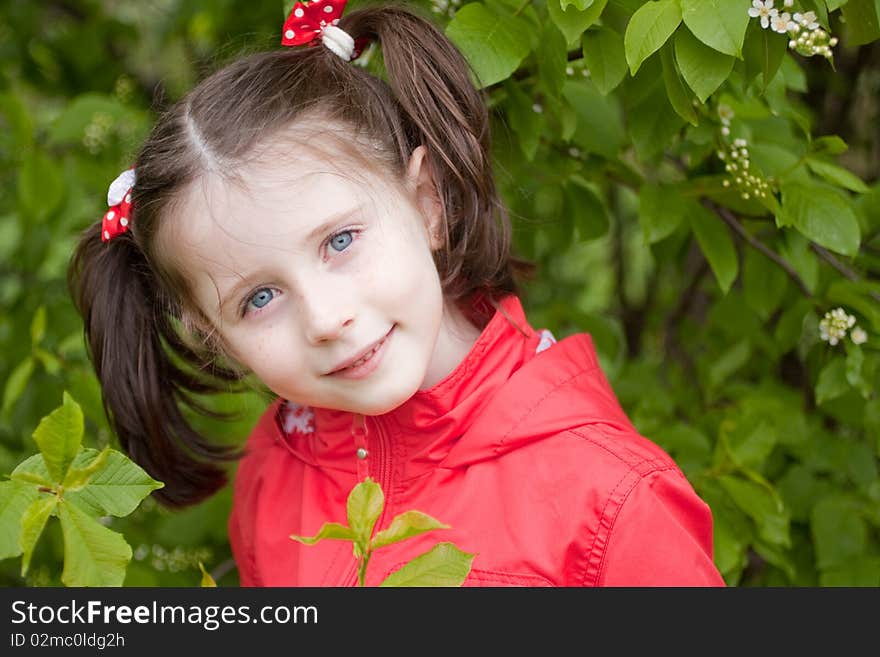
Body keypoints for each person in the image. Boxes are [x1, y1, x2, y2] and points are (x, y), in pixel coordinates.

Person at [68, 0, 724, 587]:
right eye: (260, 298)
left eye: (340, 241)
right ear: (216, 338)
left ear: (427, 202)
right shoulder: (273, 473)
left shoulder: (607, 495)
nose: (327, 318)